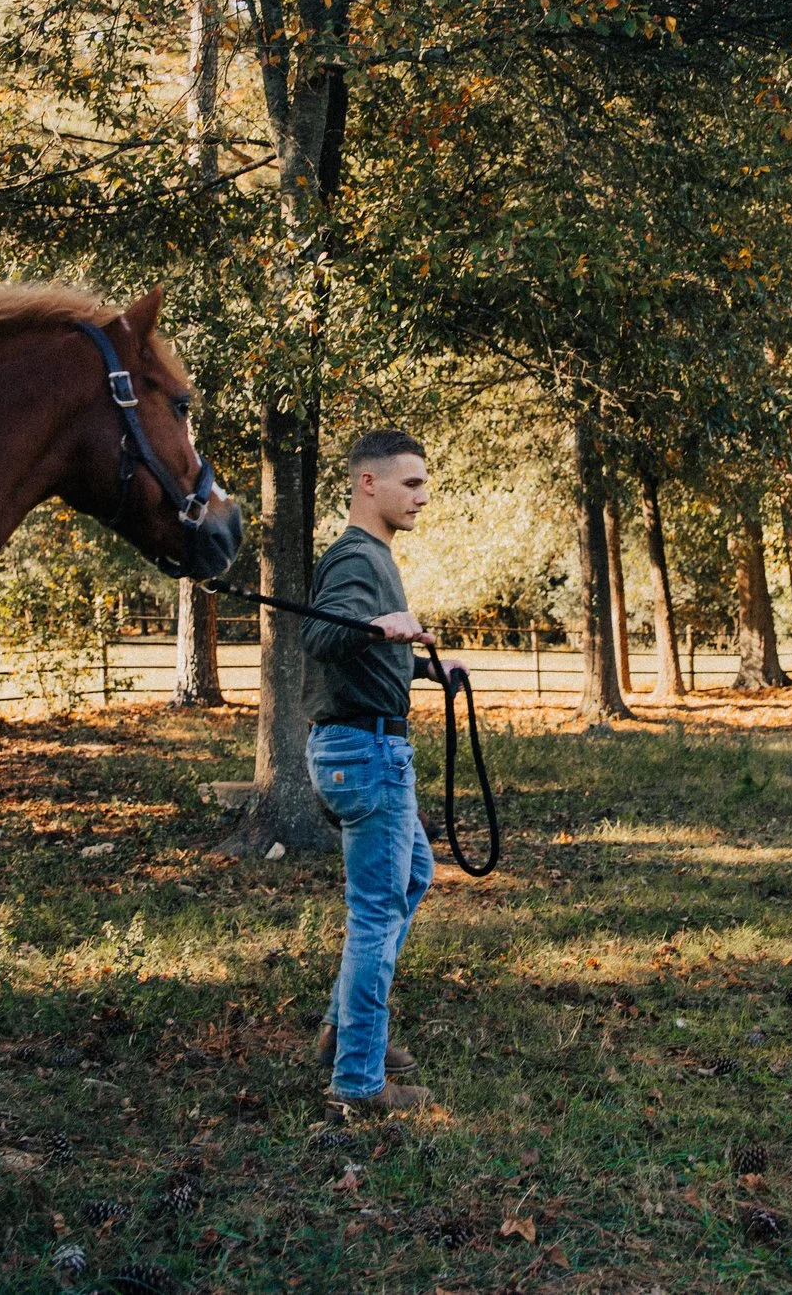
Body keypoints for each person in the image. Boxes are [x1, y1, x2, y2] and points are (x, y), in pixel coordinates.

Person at [300, 429, 465, 1115]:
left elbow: (370, 648)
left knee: (415, 876)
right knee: (375, 913)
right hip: (365, 753)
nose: (422, 497)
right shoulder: (355, 558)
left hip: (365, 747)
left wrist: (428, 665)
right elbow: (321, 636)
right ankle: (359, 1078)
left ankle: (345, 1026)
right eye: (411, 483)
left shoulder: (371, 556)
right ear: (368, 484)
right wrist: (379, 626)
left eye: (424, 483)